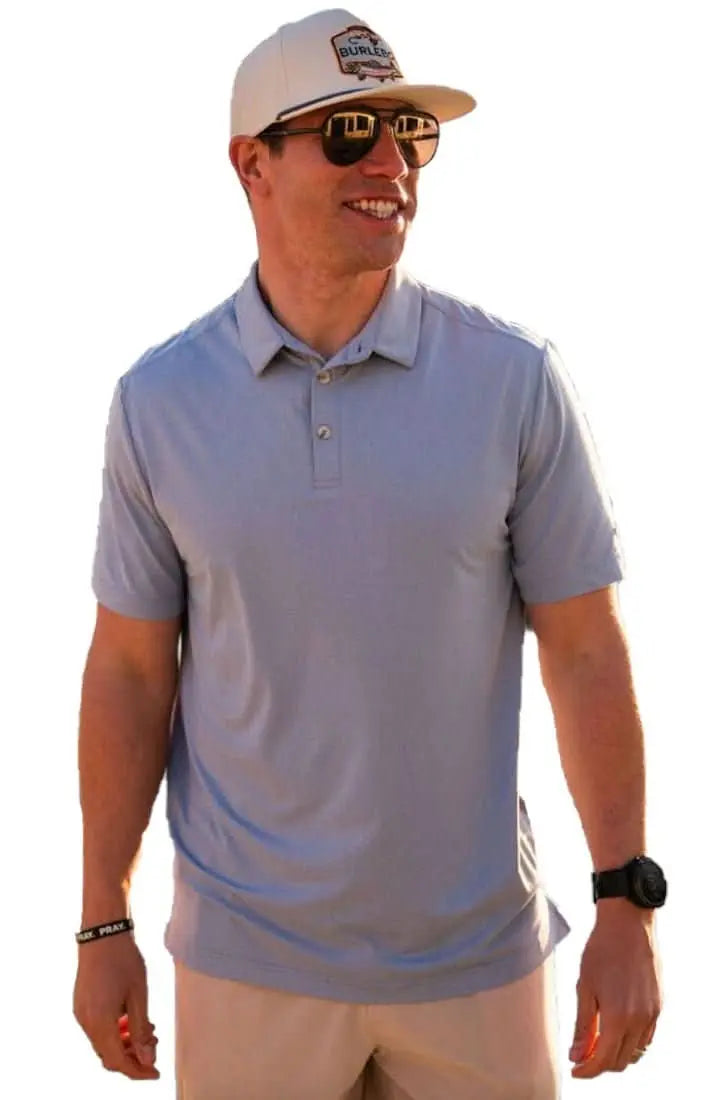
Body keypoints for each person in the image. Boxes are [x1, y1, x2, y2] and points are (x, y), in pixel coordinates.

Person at [73, 8, 666, 1098]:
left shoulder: (513, 380)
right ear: (252, 164)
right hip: (246, 969)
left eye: (408, 133)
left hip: (477, 967)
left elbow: (585, 648)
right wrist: (101, 918)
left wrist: (625, 899)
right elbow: (128, 671)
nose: (390, 162)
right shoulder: (158, 403)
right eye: (350, 132)